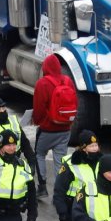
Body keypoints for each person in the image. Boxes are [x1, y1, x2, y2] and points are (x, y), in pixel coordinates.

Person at [32, 54, 75, 198]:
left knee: (39, 154)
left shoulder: (42, 83)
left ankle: (42, 187)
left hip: (47, 130)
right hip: (65, 129)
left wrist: (37, 121)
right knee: (60, 160)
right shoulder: (68, 81)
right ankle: (60, 192)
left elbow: (38, 109)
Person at [53, 129, 102, 221]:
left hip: (98, 208)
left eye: (96, 145)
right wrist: (63, 213)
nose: (95, 149)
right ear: (84, 148)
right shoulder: (70, 165)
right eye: (91, 146)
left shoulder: (102, 162)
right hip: (77, 209)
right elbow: (59, 190)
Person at [0, 97, 36, 168]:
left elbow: (25, 144)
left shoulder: (14, 122)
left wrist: (31, 162)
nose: (2, 111)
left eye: (3, 108)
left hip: (14, 164)